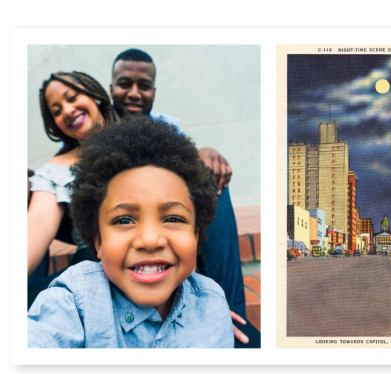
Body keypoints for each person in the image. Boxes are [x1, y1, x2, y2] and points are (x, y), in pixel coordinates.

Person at [28, 116, 234, 348]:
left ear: (195, 236)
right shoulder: (74, 301)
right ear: (98, 241)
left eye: (173, 218)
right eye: (124, 219)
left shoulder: (212, 304)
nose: (149, 240)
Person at [110, 49, 251, 328]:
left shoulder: (166, 126)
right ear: (111, 87)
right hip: (124, 223)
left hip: (166, 215)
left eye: (145, 86)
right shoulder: (96, 125)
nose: (135, 93)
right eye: (125, 84)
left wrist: (206, 153)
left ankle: (231, 314)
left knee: (211, 183)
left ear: (154, 90)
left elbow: (187, 163)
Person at [28, 71, 118, 280]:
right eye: (57, 111)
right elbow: (37, 226)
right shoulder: (54, 171)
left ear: (93, 94)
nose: (67, 110)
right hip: (92, 274)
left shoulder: (143, 137)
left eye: (72, 97)